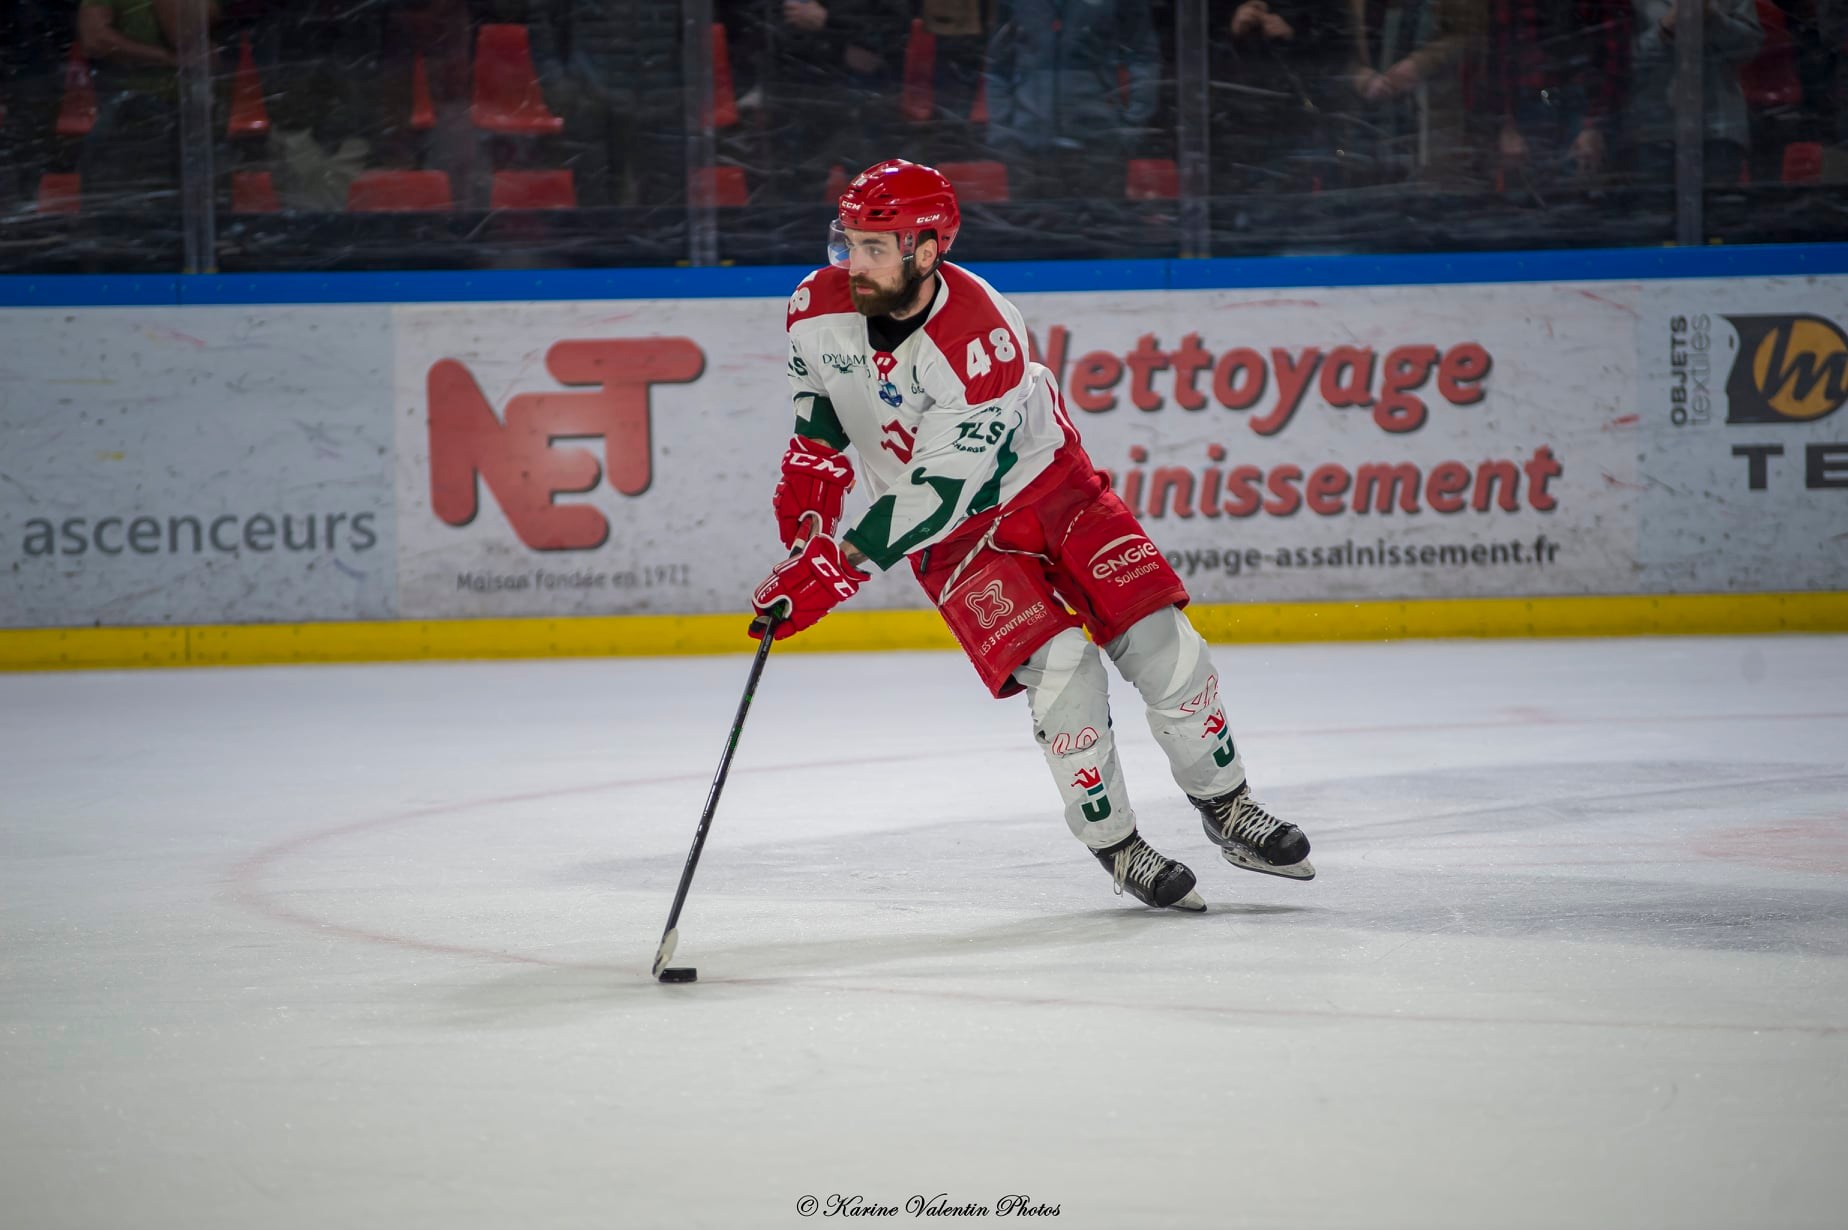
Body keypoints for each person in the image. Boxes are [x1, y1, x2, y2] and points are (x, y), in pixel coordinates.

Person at [747, 159, 1316, 911]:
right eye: (847, 242)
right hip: (952, 542)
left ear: (927, 248)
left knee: (1161, 642)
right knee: (1065, 675)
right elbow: (820, 412)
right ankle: (1118, 845)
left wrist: (836, 568)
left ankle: (1228, 806)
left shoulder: (979, 335)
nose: (854, 263)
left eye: (875, 246)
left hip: (1050, 489)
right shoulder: (812, 307)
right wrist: (813, 495)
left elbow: (937, 488)